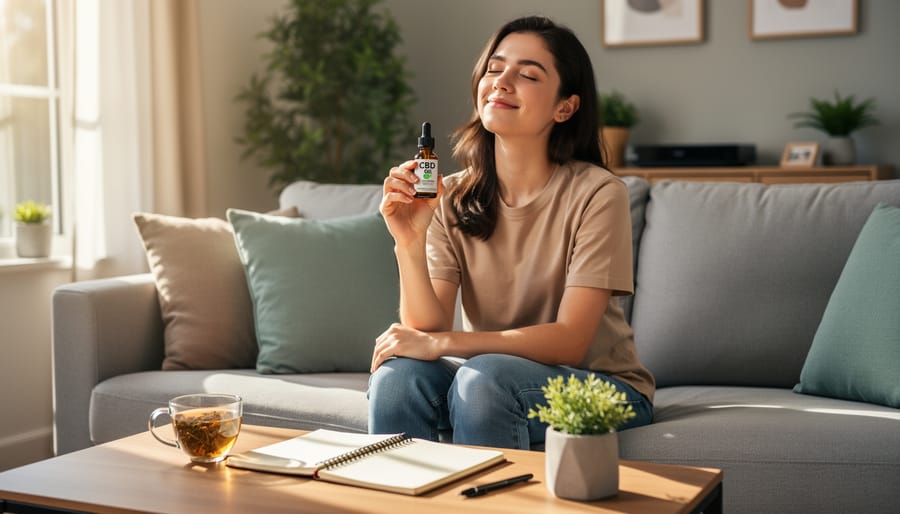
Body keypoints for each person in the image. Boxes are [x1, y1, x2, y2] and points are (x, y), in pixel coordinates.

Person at [368, 15, 655, 450]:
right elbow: (426, 329)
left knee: (486, 378)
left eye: (527, 74)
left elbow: (571, 341)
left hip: (601, 387)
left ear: (565, 107)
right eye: (494, 68)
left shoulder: (599, 193)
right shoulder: (452, 195)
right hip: (490, 379)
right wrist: (408, 241)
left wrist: (444, 343)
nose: (501, 82)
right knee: (398, 376)